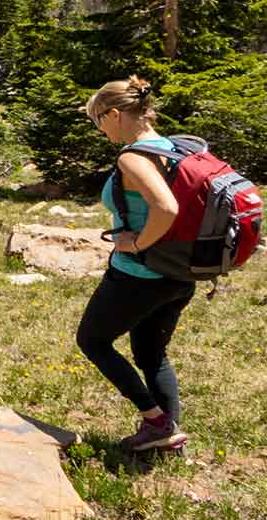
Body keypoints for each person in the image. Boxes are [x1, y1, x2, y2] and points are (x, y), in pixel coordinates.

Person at [76, 75, 193, 452]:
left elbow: (167, 207)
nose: (98, 129)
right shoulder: (174, 148)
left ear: (113, 115)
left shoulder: (133, 156)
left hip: (139, 274)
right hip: (179, 273)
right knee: (151, 353)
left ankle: (155, 420)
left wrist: (137, 243)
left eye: (97, 120)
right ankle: (168, 436)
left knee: (93, 340)